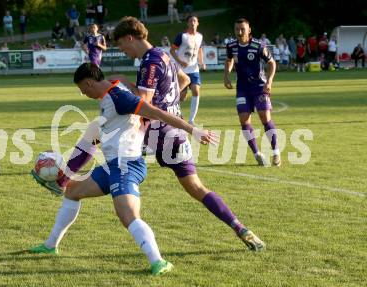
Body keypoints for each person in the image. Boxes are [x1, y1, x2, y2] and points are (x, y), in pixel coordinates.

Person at [33, 16, 265, 257]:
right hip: (174, 136)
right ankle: (240, 227)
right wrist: (172, 105)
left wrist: (124, 82)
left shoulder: (149, 62)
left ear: (130, 38)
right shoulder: (164, 55)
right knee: (196, 187)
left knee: (99, 130)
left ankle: (62, 178)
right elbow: (184, 80)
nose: (122, 50)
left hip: (155, 133)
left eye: (121, 45)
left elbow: (142, 102)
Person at [30, 62, 217, 275]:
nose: (83, 94)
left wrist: (193, 130)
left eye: (83, 90)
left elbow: (157, 113)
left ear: (89, 83)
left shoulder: (119, 98)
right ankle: (50, 245)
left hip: (127, 166)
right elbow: (90, 143)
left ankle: (158, 262)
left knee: (127, 215)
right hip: (112, 166)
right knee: (72, 191)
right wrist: (64, 177)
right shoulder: (109, 95)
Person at [224, 18, 280, 167]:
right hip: (242, 88)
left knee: (265, 117)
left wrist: (269, 81)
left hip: (259, 86)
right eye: (237, 29)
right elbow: (229, 60)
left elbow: (271, 63)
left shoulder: (258, 45)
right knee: (244, 120)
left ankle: (276, 152)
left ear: (249, 30)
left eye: (242, 29)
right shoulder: (231, 46)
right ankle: (257, 154)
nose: (239, 32)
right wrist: (226, 75)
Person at [170, 15, 206, 125]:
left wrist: (202, 62)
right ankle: (175, 115)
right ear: (187, 23)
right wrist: (180, 62)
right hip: (182, 71)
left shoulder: (200, 36)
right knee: (182, 97)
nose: (193, 22)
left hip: (194, 69)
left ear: (198, 23)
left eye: (195, 20)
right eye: (191, 21)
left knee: (196, 90)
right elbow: (172, 50)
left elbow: (199, 50)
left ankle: (191, 120)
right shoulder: (182, 36)